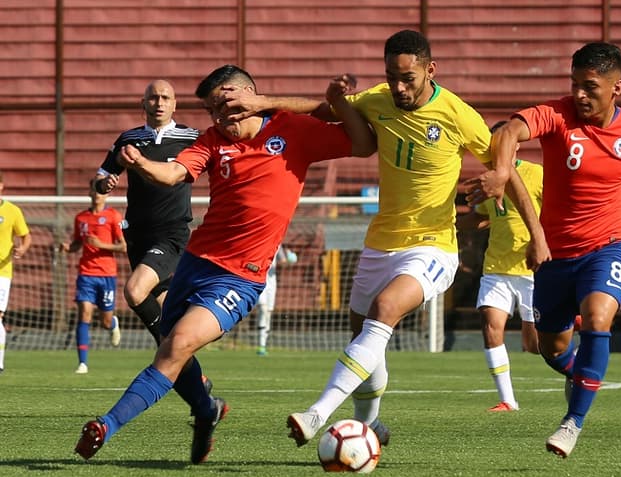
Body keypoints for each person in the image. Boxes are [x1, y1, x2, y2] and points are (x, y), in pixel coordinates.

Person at [221, 29, 548, 448]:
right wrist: (264, 102)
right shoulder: (378, 99)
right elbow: (325, 110)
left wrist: (537, 235)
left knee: (385, 308)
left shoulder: (456, 113)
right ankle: (368, 425)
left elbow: (512, 171)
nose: (398, 87)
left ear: (430, 71)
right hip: (380, 243)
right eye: (392, 76)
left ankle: (316, 413)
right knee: (363, 336)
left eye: (407, 78)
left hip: (433, 244)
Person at [74, 64, 376, 464]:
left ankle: (105, 426)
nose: (223, 117)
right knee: (173, 348)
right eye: (214, 110)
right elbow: (175, 172)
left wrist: (276, 103)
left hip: (240, 276)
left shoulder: (292, 130)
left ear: (251, 97)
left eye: (230, 105)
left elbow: (363, 141)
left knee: (177, 345)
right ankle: (205, 410)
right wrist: (142, 165)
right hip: (195, 263)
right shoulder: (212, 141)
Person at [468, 42, 621, 457]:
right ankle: (579, 374)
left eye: (590, 87)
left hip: (607, 249)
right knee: (551, 349)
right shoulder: (556, 114)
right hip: (555, 258)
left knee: (598, 318)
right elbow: (510, 131)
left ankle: (572, 422)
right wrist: (500, 169)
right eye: (575, 84)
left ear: (616, 88)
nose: (580, 94)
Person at [94, 79, 199, 347]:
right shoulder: (129, 139)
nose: (159, 103)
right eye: (153, 98)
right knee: (168, 315)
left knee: (134, 290)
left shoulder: (192, 138)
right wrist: (103, 184)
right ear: (143, 103)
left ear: (175, 104)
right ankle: (194, 378)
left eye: (165, 98)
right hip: (138, 235)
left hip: (171, 233)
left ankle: (164, 348)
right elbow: (102, 175)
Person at [457, 124, 543, 412]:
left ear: (515, 146)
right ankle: (508, 400)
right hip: (497, 267)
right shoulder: (487, 180)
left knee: (535, 345)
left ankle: (575, 357)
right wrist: (449, 225)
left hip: (532, 270)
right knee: (491, 328)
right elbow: (482, 218)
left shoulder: (537, 174)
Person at [59, 179, 127, 374]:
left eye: (101, 190)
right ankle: (83, 363)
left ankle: (113, 323)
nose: (98, 193)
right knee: (85, 313)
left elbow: (123, 247)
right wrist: (68, 248)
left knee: (105, 320)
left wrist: (101, 245)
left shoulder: (114, 216)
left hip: (107, 275)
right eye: (94, 189)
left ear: (107, 194)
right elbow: (77, 244)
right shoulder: (81, 218)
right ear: (89, 192)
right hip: (86, 273)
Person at [0, 170, 32, 374]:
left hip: (2, 272)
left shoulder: (12, 211)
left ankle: (0, 362)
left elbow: (26, 236)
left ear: (1, 187)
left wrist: (22, 248)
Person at [254, 244, 297, 356]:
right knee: (262, 308)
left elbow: (283, 261)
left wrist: (289, 258)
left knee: (268, 313)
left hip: (272, 284)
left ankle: (262, 346)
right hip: (259, 281)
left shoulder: (278, 246)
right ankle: (260, 341)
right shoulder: (259, 244)